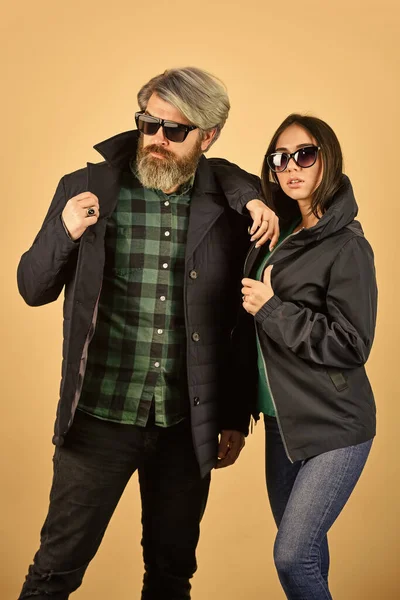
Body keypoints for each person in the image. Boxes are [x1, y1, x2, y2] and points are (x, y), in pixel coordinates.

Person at [16, 67, 278, 600]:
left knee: (171, 574)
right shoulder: (86, 189)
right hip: (97, 421)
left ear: (208, 136)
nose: (156, 139)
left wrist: (232, 417)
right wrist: (65, 232)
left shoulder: (229, 208)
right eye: (147, 124)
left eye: (174, 130)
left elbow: (233, 325)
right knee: (55, 572)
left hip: (186, 425)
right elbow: (31, 286)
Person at [240, 114, 377, 599]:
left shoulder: (347, 245)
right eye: (280, 158)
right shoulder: (281, 232)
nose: (291, 167)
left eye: (305, 155)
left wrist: (274, 310)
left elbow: (352, 344)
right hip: (284, 426)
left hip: (335, 424)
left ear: (328, 160)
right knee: (309, 554)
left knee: (292, 554)